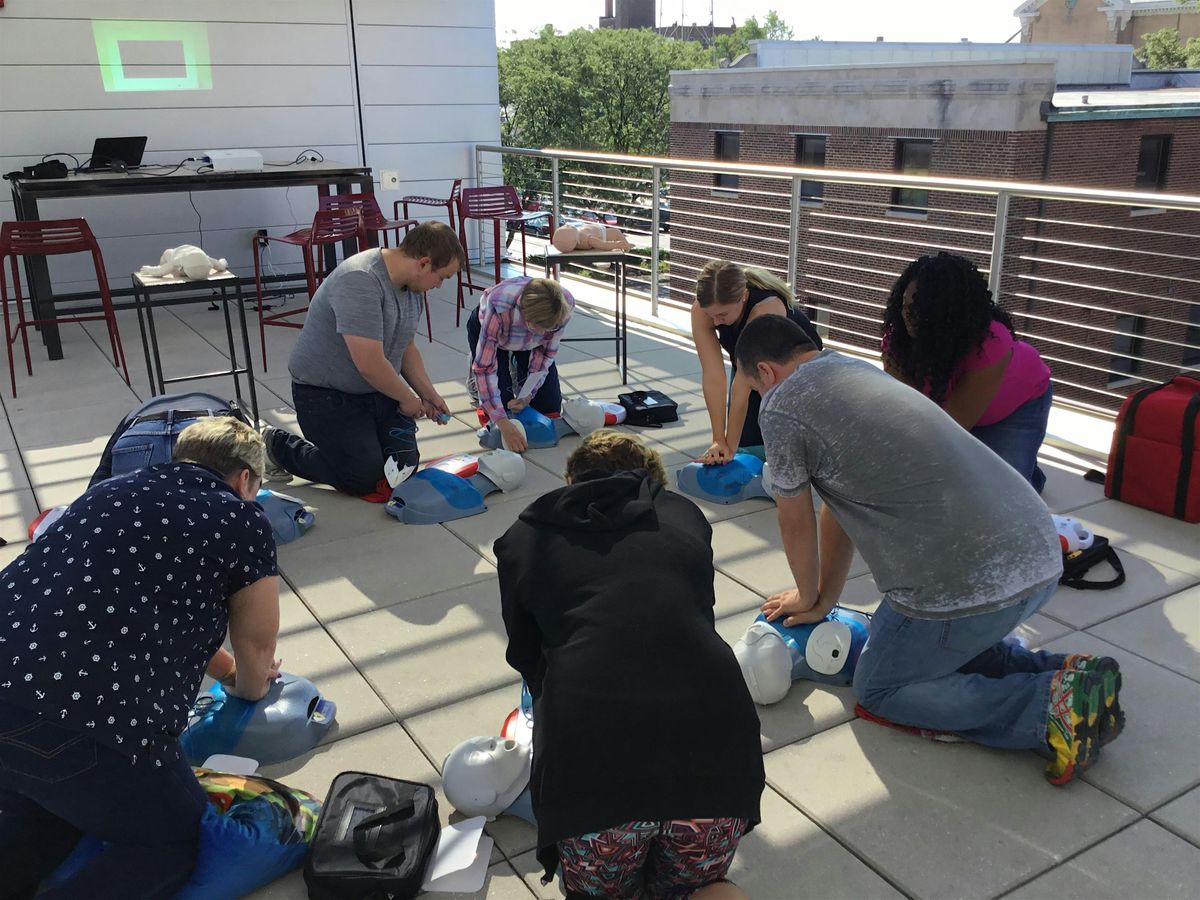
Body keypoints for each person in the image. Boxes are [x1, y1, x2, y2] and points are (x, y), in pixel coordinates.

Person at [734, 315, 1123, 786]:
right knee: (935, 649)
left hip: (970, 582)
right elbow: (836, 513)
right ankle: (1068, 675)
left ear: (766, 372)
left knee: (880, 686)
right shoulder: (856, 372)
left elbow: (791, 516)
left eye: (754, 388)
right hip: (1040, 554)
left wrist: (803, 593)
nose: (760, 399)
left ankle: (1046, 709)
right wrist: (821, 599)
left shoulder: (782, 405)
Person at [0, 418, 280, 898]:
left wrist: (225, 669)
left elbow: (155, 607)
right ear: (244, 479)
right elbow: (256, 642)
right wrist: (250, 686)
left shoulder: (106, 493)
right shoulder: (240, 518)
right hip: (84, 715)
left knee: (50, 804)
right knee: (172, 840)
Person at [494, 430, 764, 897]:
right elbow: (696, 614)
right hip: (717, 757)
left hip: (594, 772)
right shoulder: (686, 516)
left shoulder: (524, 539)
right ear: (652, 483)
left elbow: (526, 654)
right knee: (702, 890)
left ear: (569, 480)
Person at [263, 222, 465, 498]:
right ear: (424, 263)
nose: (439, 285)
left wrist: (428, 395)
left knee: (402, 469)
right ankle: (276, 445)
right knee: (364, 477)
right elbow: (368, 363)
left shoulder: (412, 287)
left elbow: (406, 348)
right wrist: (407, 400)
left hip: (376, 391)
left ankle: (363, 445)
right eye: (442, 277)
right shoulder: (360, 280)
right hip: (326, 396)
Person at [881, 252, 1053, 492]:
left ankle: (1028, 471)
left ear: (948, 311)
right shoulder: (896, 341)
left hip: (1018, 406)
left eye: (921, 308)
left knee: (1002, 496)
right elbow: (907, 409)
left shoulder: (989, 342)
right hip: (959, 413)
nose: (907, 317)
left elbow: (950, 430)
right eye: (904, 305)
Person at [692, 260, 824, 465]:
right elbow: (713, 376)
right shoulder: (702, 311)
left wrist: (731, 447)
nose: (716, 322)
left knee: (777, 442)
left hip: (798, 369)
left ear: (743, 296)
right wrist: (719, 440)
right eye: (711, 315)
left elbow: (743, 386)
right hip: (754, 364)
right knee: (746, 444)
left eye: (722, 315)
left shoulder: (765, 309)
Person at [467, 275, 574, 453]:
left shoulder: (564, 306)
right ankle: (475, 371)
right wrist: (502, 422)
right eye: (539, 328)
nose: (544, 332)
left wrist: (528, 394)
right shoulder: (499, 305)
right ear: (525, 316)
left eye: (548, 328)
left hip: (529, 343)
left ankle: (518, 373)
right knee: (500, 406)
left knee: (549, 407)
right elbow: (485, 368)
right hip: (492, 332)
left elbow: (546, 353)